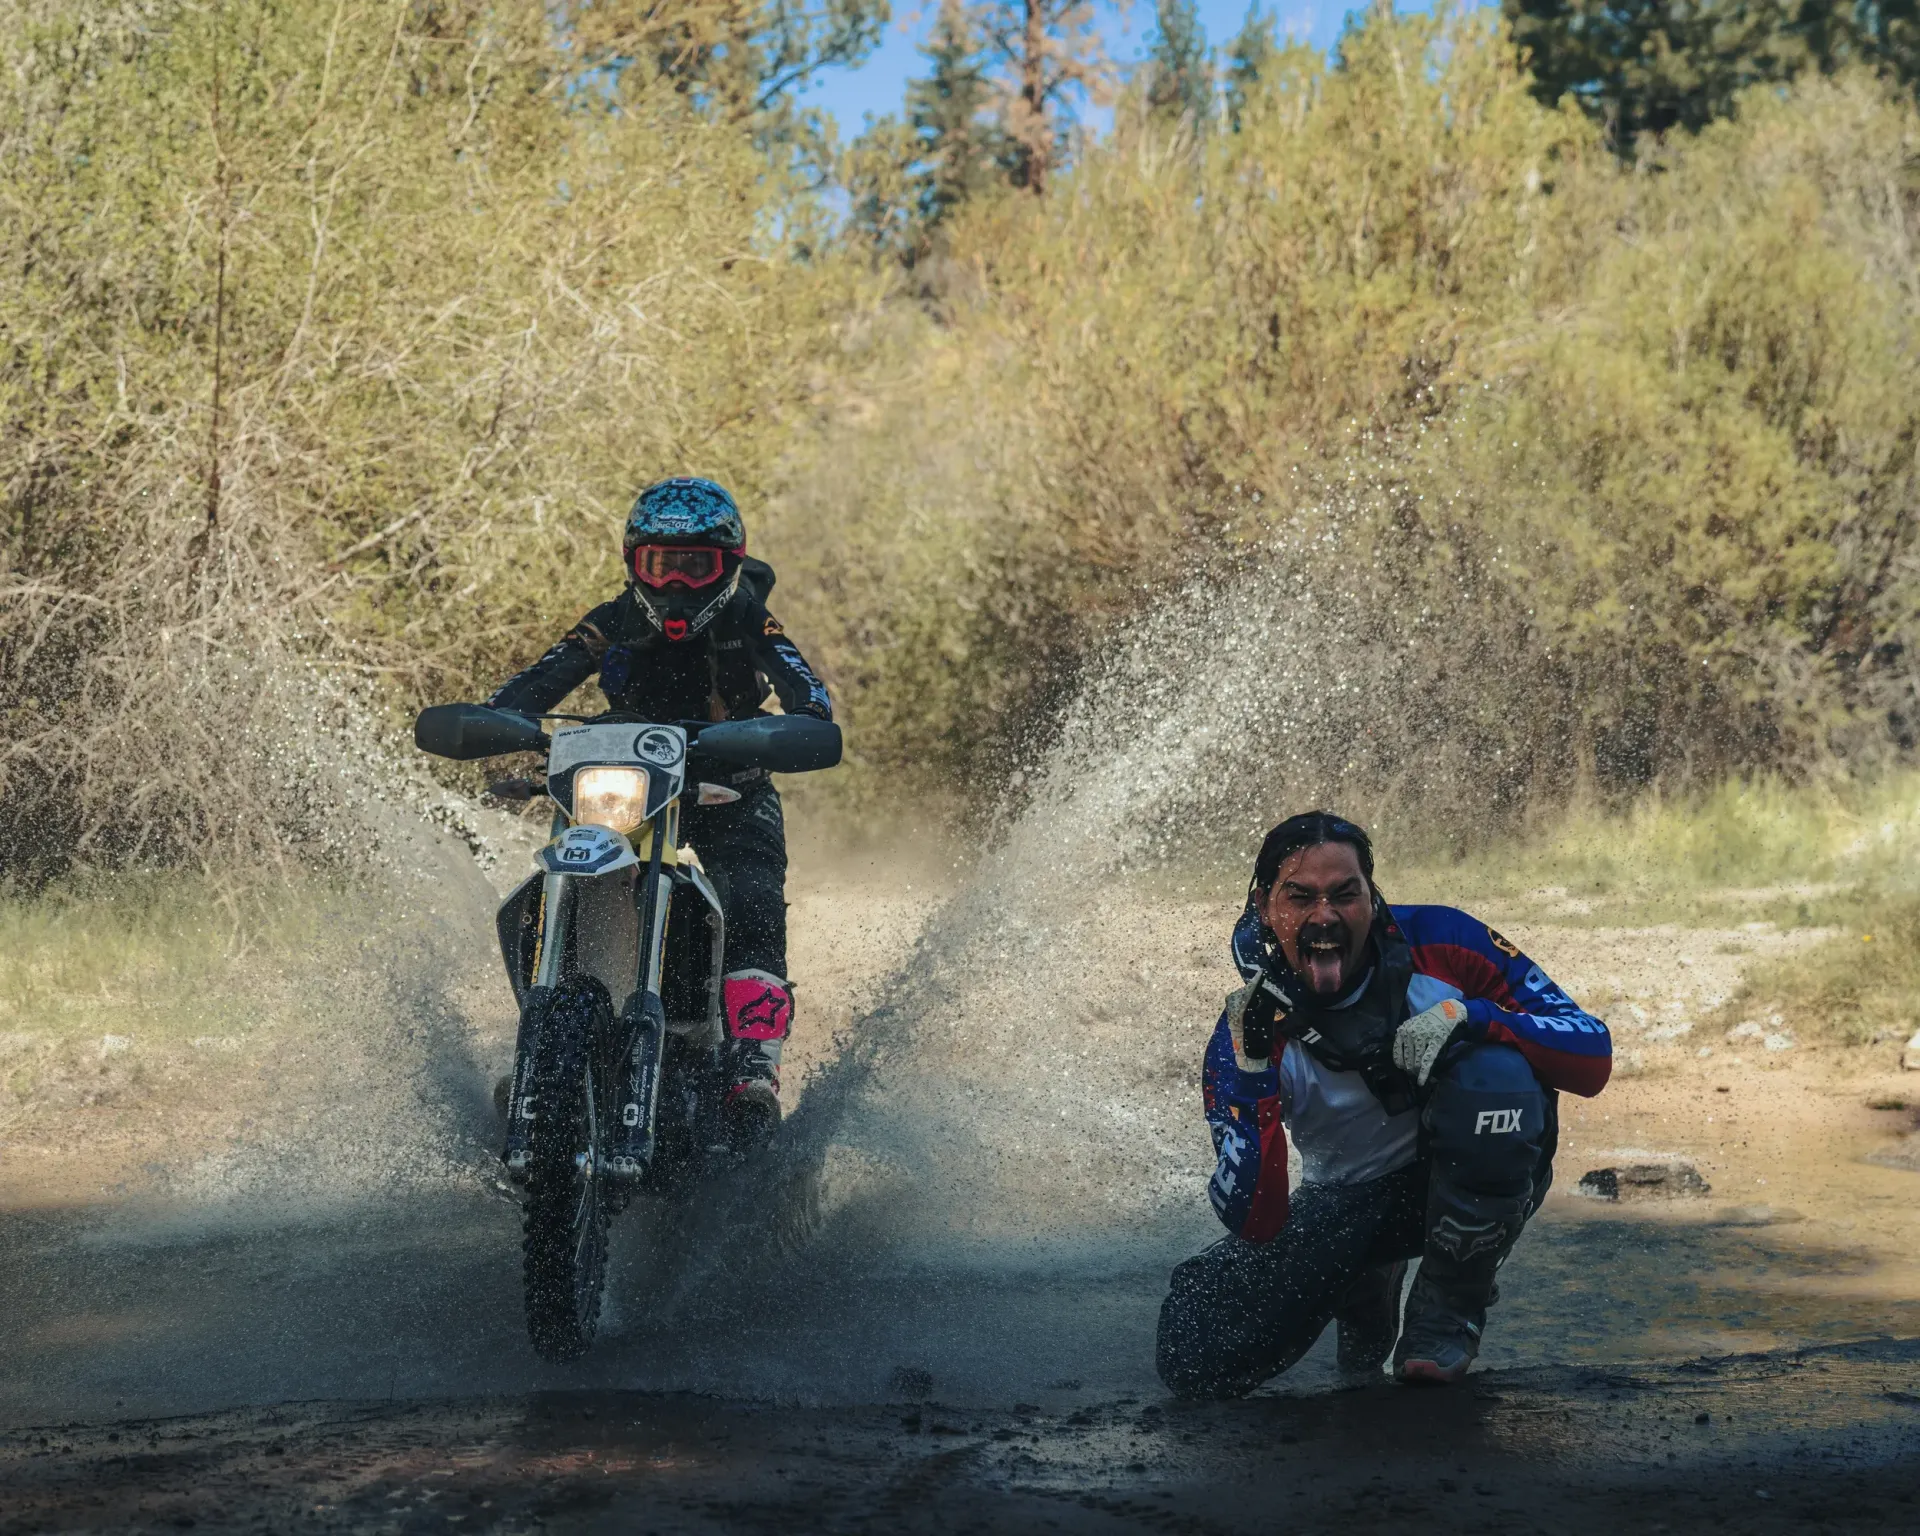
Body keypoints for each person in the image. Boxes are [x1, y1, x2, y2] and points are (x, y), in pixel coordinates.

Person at [1157, 811, 1612, 1393]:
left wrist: (1476, 1018)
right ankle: (1367, 1278)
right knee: (1193, 1357)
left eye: (1345, 895)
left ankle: (1448, 1307)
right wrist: (1251, 1076)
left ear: (1371, 899)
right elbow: (1258, 1218)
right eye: (1300, 897)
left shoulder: (1447, 943)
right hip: (1344, 1202)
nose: (1324, 915)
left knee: (1495, 1075)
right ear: (1264, 906)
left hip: (1472, 1169)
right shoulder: (1245, 1033)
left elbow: (1592, 1053)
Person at [487, 476, 832, 1157]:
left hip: (731, 793)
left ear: (728, 565)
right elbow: (533, 684)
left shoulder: (749, 620)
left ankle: (751, 1067)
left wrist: (795, 729)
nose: (676, 584)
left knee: (755, 901)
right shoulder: (611, 620)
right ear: (632, 561)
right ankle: (544, 1053)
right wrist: (502, 721)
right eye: (660, 565)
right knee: (558, 879)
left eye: (695, 566)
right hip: (627, 789)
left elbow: (809, 695)